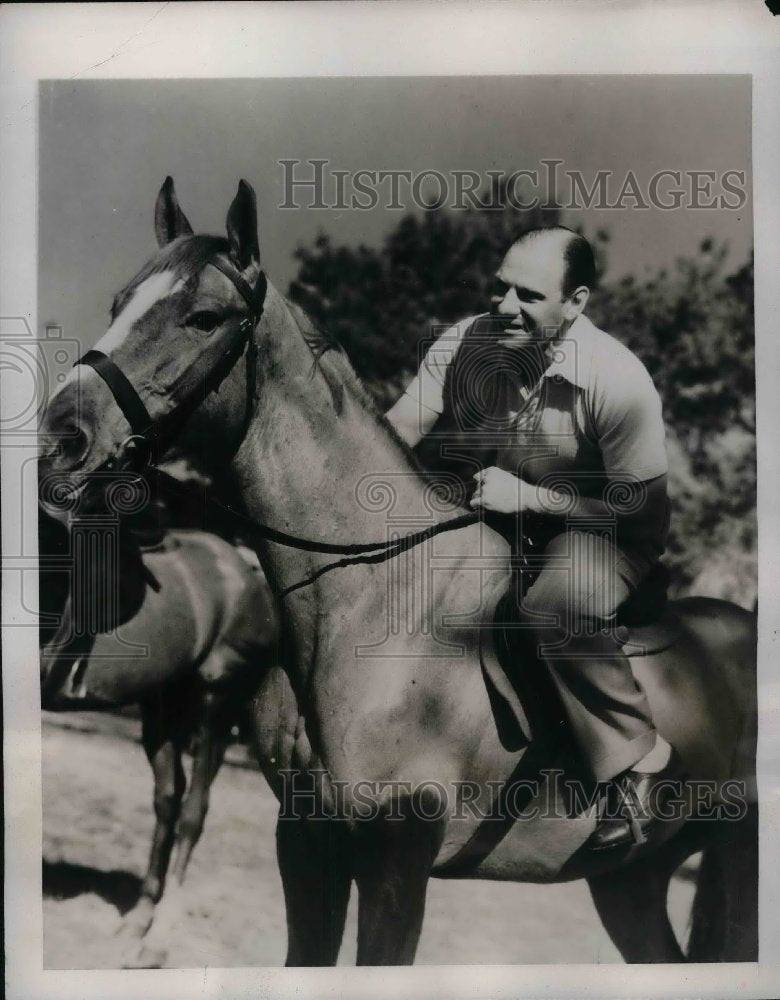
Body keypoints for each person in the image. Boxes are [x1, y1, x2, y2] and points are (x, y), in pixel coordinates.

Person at [386, 226, 684, 849]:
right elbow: (398, 431)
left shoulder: (617, 378)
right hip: (500, 519)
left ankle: (644, 763)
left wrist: (532, 498)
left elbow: (639, 514)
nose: (505, 307)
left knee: (552, 606)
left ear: (575, 302)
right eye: (501, 288)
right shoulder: (466, 340)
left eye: (528, 295)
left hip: (600, 531)